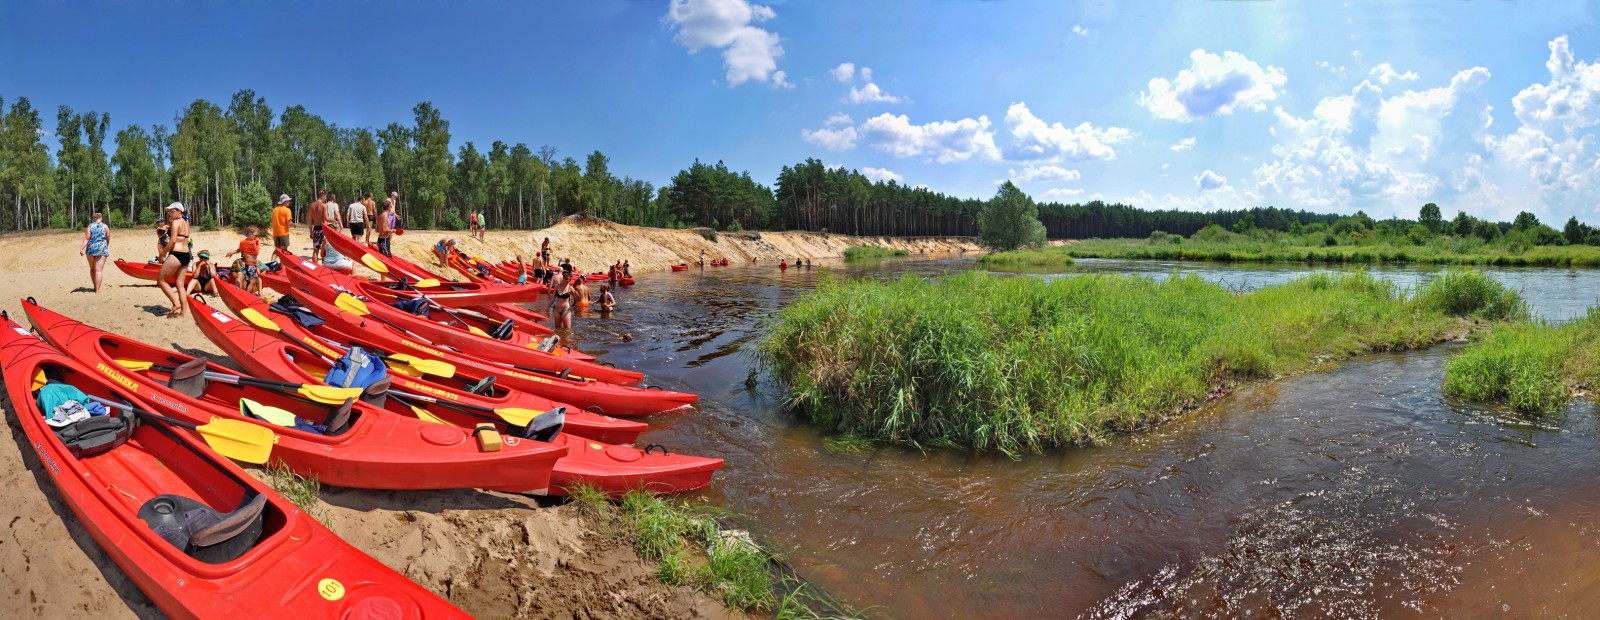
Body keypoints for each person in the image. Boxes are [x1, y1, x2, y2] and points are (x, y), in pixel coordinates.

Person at [156, 202, 191, 318]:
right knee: (180, 285)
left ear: (179, 212)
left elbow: (173, 241)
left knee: (161, 280)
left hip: (177, 254)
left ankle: (176, 304)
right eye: (169, 211)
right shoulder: (186, 222)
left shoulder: (176, 222)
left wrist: (163, 253)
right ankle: (183, 313)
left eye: (172, 211)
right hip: (186, 255)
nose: (170, 213)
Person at [80, 212, 110, 293]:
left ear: (94, 218)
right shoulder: (105, 226)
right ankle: (97, 290)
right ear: (101, 218)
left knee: (92, 269)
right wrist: (105, 247)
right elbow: (107, 239)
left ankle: (94, 287)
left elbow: (87, 238)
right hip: (102, 248)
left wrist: (81, 248)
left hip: (91, 249)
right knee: (99, 270)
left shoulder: (90, 226)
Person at [307, 190, 328, 262]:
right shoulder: (323, 206)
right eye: (325, 196)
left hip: (315, 229)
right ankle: (324, 268)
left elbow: (309, 220)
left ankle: (315, 269)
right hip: (323, 229)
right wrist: (335, 221)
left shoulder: (311, 205)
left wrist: (310, 232)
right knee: (324, 250)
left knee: (315, 250)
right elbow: (326, 218)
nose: (325, 198)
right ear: (322, 196)